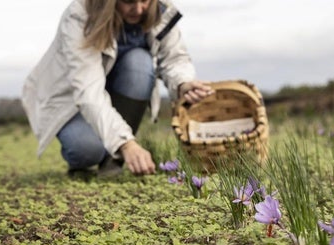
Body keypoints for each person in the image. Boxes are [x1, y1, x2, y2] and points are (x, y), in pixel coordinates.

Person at [22, 0, 213, 177]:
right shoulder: (80, 16)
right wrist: (126, 143)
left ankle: (114, 158)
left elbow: (175, 58)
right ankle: (95, 158)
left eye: (145, 0)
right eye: (128, 0)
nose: (139, 9)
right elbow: (89, 92)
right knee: (87, 150)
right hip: (72, 100)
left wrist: (183, 83)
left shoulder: (162, 9)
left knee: (140, 62)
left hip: (122, 85)